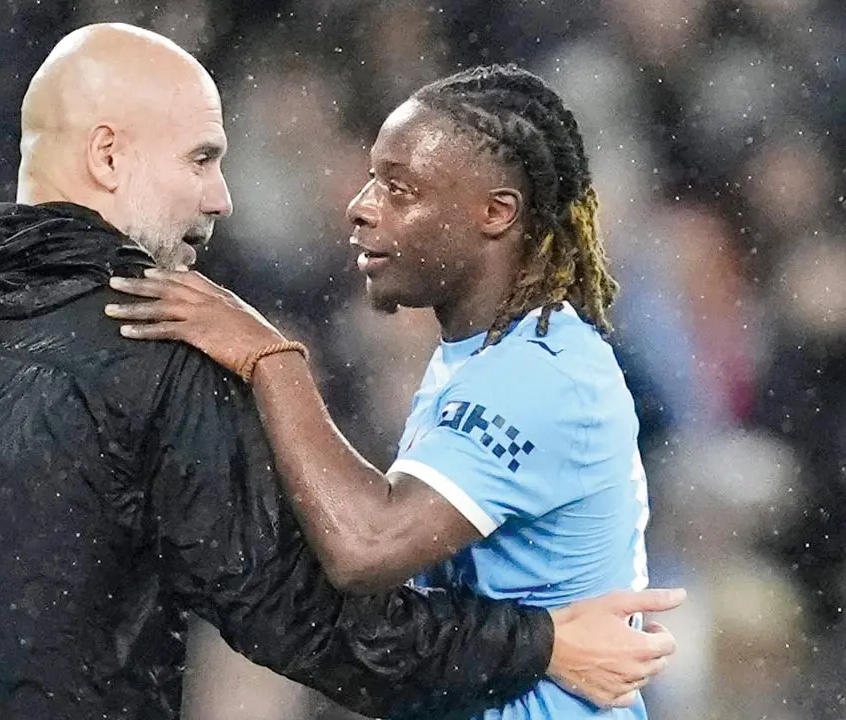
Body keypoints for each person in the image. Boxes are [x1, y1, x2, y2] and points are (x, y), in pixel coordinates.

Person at [0, 26, 681, 720]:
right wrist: (540, 645)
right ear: (106, 156)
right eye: (201, 157)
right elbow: (323, 622)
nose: (220, 193)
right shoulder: (156, 343)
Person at [106, 63, 664, 719]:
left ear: (496, 213)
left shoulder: (539, 375)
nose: (362, 206)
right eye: (373, 178)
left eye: (400, 189)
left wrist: (270, 358)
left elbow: (365, 548)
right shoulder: (478, 356)